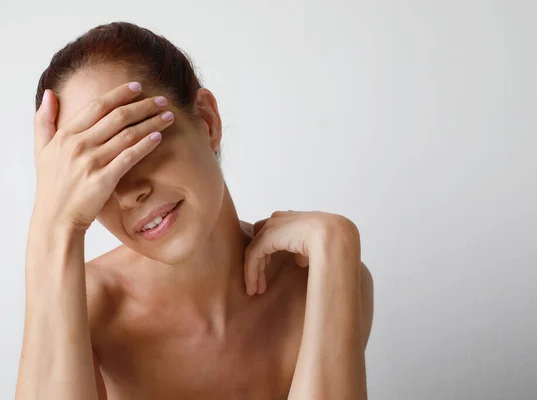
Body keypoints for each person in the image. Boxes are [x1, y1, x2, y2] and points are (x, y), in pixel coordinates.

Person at [16, 21, 374, 400]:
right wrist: (54, 226)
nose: (128, 194)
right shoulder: (87, 307)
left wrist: (337, 244)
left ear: (206, 121)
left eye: (139, 142)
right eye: (98, 171)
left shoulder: (320, 278)